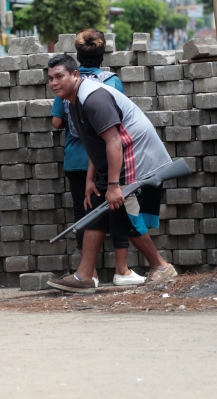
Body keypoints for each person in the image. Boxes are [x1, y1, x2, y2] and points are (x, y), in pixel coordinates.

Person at [45, 54, 177, 293]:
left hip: (135, 157)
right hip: (119, 158)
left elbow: (114, 141)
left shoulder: (93, 99)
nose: (54, 82)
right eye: (50, 78)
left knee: (123, 213)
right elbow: (95, 143)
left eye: (59, 76)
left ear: (75, 75)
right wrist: (90, 180)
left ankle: (161, 267)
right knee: (96, 207)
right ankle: (84, 276)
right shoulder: (75, 100)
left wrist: (114, 185)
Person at [51, 29, 139, 286]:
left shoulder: (67, 81)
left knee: (84, 214)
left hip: (76, 158)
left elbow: (57, 121)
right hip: (108, 160)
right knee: (118, 211)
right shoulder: (112, 81)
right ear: (103, 54)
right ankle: (121, 269)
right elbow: (118, 124)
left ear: (77, 58)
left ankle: (91, 275)